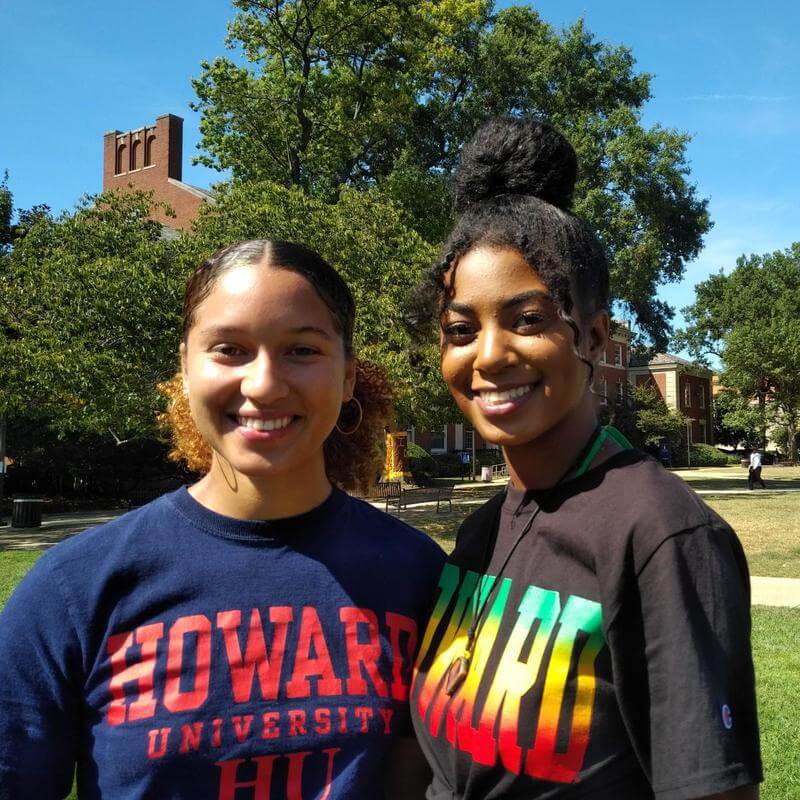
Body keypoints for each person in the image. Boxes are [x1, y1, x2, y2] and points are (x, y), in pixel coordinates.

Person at [0, 239, 444, 799]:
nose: (263, 384)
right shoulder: (76, 586)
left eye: (302, 351)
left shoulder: (418, 574)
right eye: (229, 349)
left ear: (348, 375)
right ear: (185, 369)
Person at [408, 119, 762, 799]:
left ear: (594, 336)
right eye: (460, 329)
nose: (488, 355)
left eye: (529, 319)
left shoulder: (661, 535)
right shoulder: (482, 535)